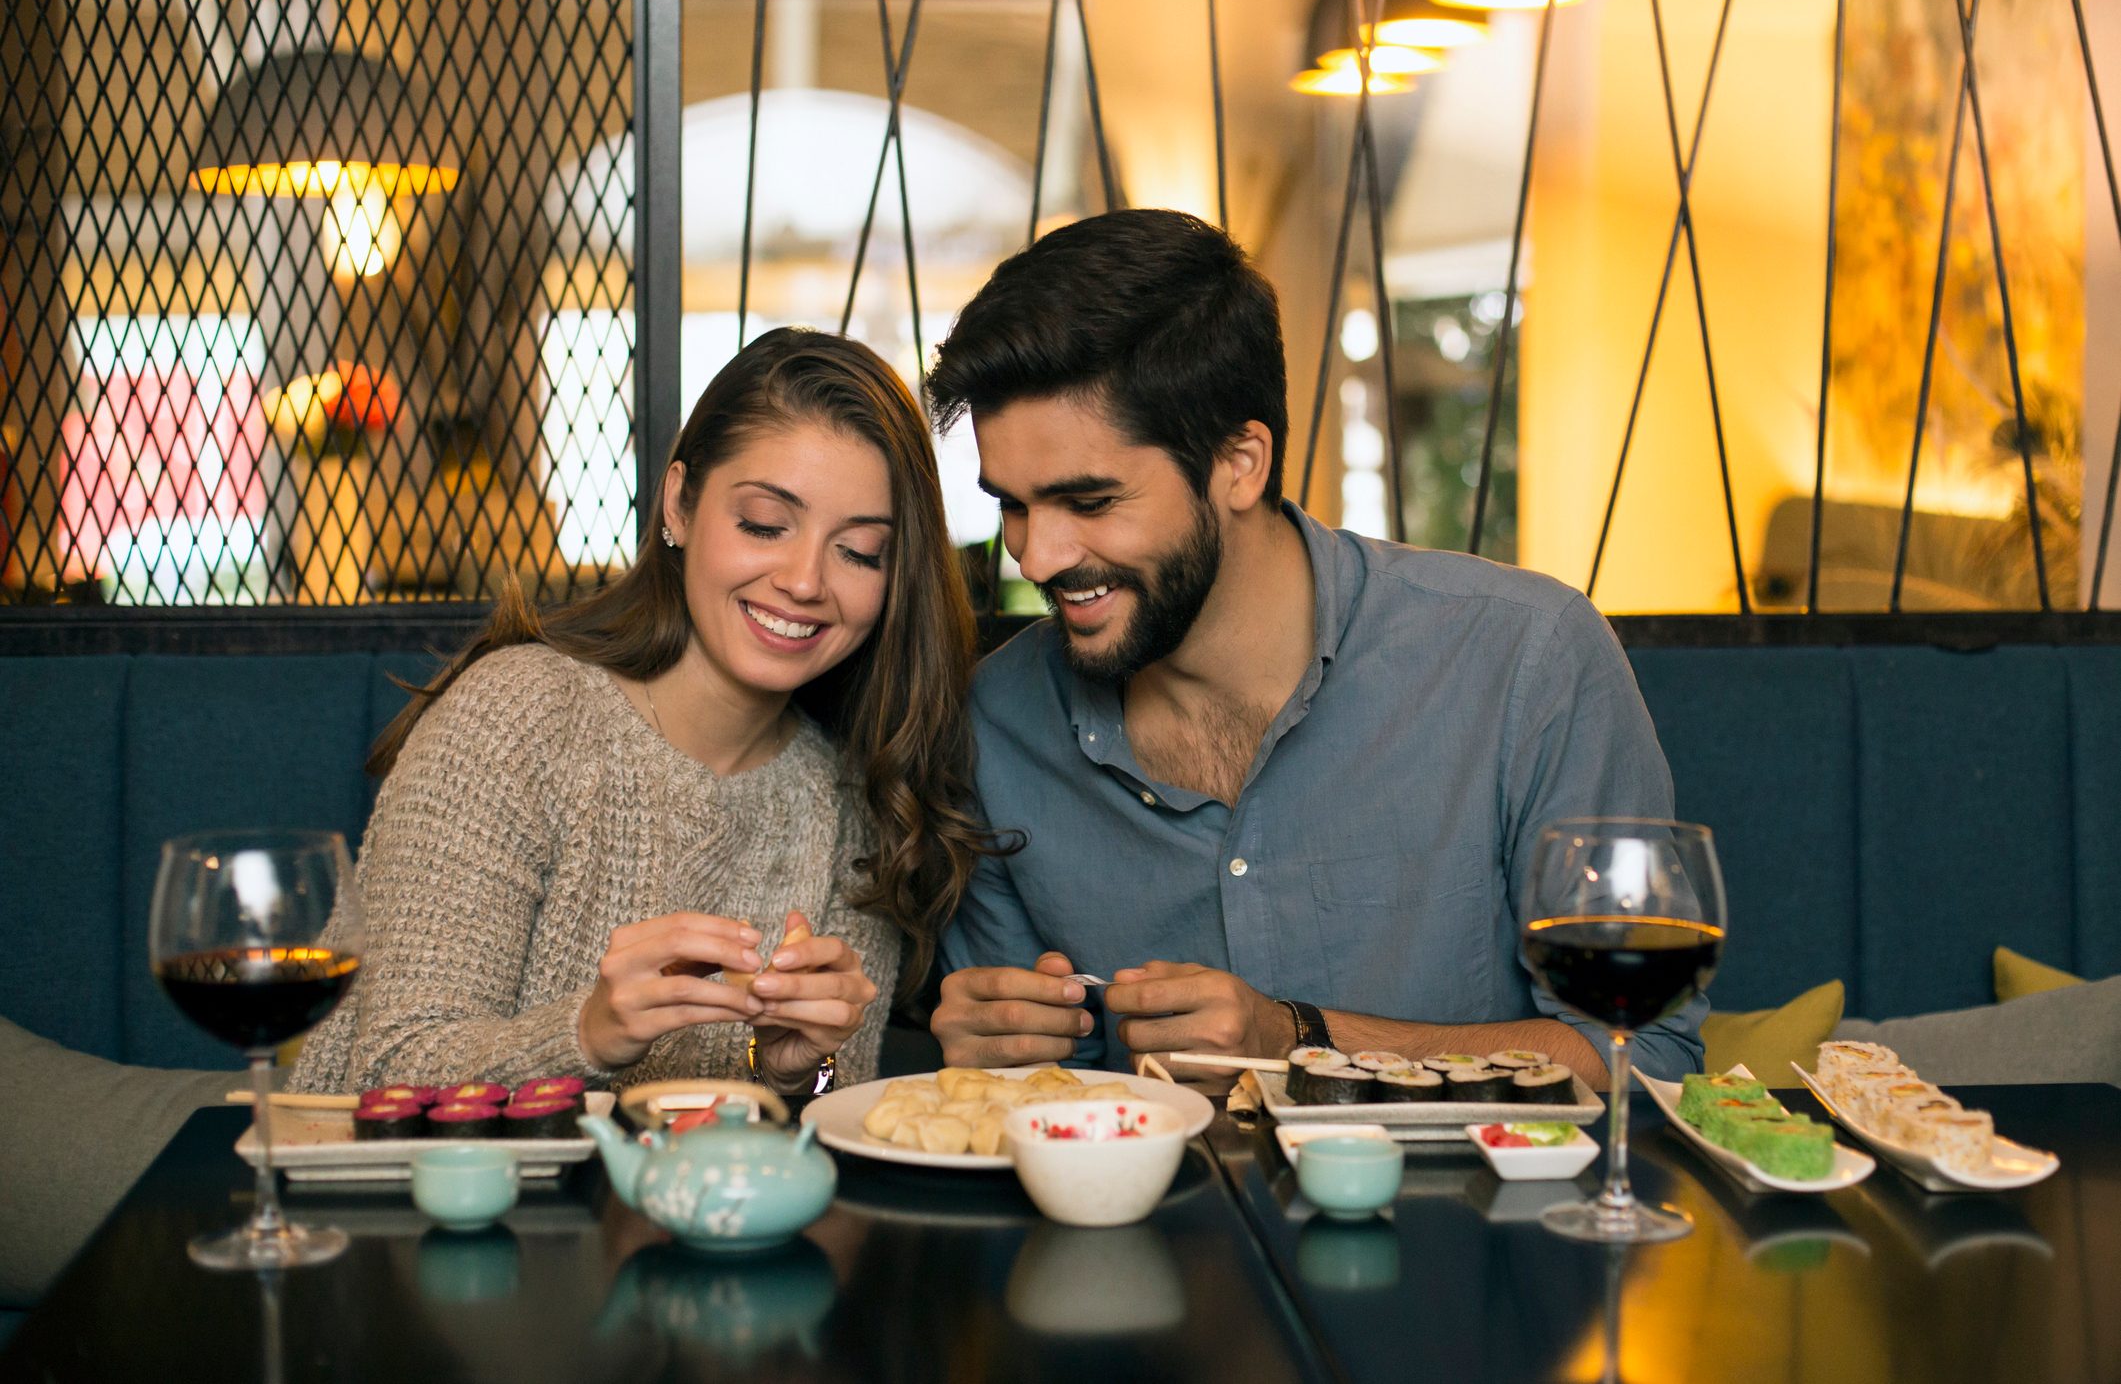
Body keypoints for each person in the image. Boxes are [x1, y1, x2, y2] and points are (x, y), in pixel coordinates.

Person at [923, 209, 1704, 1088]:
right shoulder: (994, 723)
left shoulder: (1527, 659)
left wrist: (1296, 1038)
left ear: (1240, 462)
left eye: (1091, 501)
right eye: (1012, 505)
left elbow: (1641, 1056)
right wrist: (997, 1049)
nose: (1037, 555)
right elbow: (1038, 1105)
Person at [292, 328, 995, 1095]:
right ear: (680, 506)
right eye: (763, 524)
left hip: (675, 1214)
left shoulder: (857, 797)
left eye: (859, 551)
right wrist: (589, 1033)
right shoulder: (519, 717)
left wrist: (797, 1067)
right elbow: (388, 1069)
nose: (804, 580)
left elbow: (832, 1106)